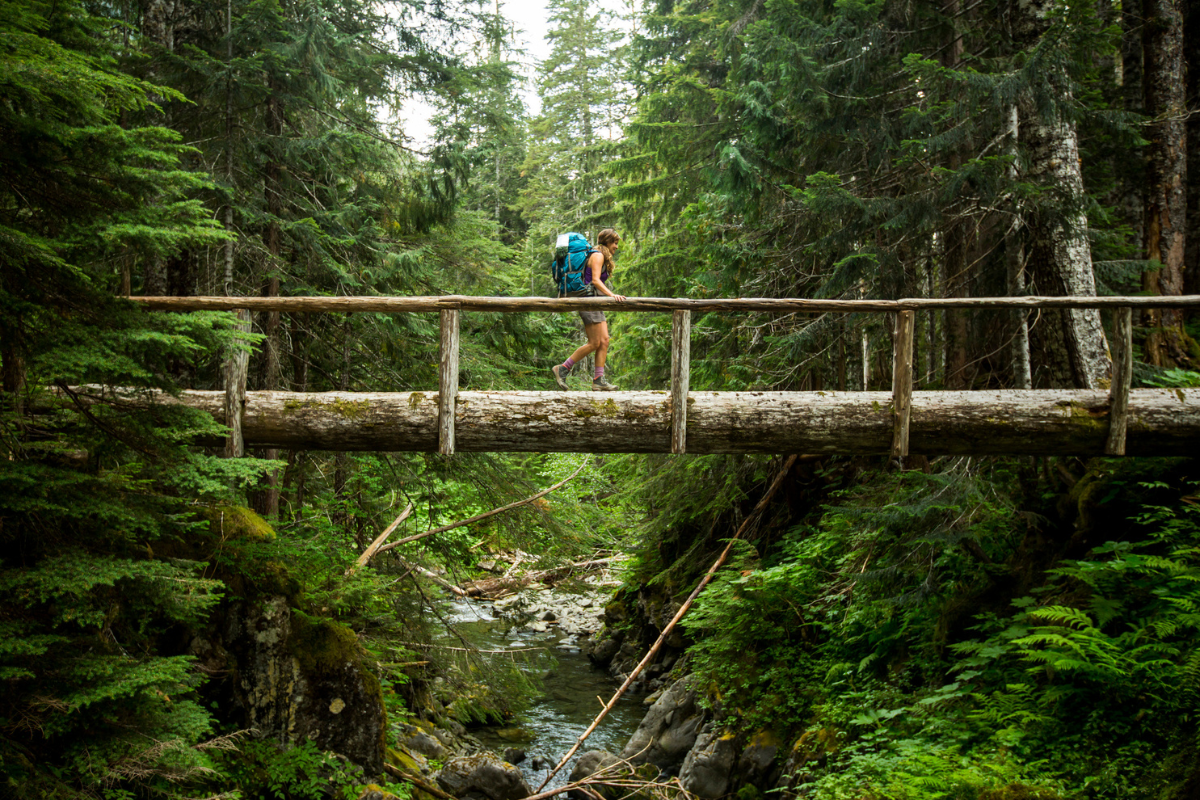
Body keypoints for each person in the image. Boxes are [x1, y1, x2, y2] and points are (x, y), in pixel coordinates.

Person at [551, 228, 627, 391]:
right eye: (615, 243)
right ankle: (563, 368)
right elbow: (595, 281)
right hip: (588, 301)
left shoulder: (599, 255)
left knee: (604, 340)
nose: (616, 246)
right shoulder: (598, 255)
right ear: (607, 241)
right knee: (594, 343)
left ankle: (598, 380)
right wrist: (613, 295)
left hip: (595, 302)